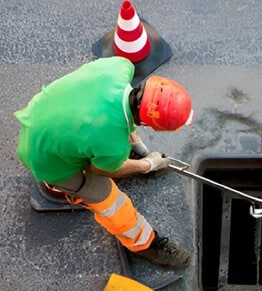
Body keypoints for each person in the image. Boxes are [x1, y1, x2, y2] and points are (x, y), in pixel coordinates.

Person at [15, 56, 193, 269]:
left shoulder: (119, 67)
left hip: (40, 120)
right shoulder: (111, 143)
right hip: (45, 159)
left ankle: (98, 154)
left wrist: (137, 147)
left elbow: (120, 110)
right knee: (108, 199)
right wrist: (148, 165)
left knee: (108, 143)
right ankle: (143, 243)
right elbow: (100, 169)